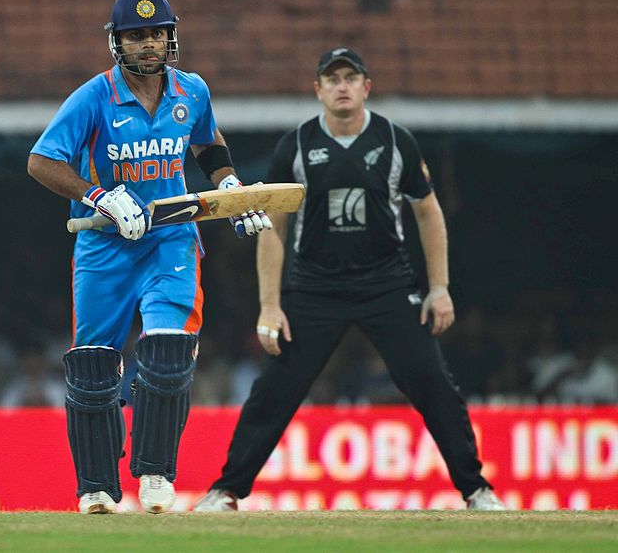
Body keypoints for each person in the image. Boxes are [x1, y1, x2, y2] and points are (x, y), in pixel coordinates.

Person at [194, 48, 506, 512]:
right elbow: (273, 227)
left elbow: (428, 212)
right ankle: (226, 491)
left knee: (431, 381)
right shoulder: (296, 145)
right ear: (318, 89)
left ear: (366, 87)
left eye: (350, 78)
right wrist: (270, 305)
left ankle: (477, 490)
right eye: (332, 79)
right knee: (276, 388)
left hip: (386, 283)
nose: (342, 86)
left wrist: (439, 288)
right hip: (314, 284)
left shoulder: (396, 141)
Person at [27, 0, 270, 514]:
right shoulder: (94, 97)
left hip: (170, 239)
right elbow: (42, 161)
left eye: (156, 33)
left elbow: (207, 142)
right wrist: (99, 195)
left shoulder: (191, 90)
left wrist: (230, 188)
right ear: (117, 42)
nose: (148, 44)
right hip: (105, 246)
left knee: (168, 351)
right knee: (93, 367)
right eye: (136, 36)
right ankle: (97, 486)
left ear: (170, 37)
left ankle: (156, 473)